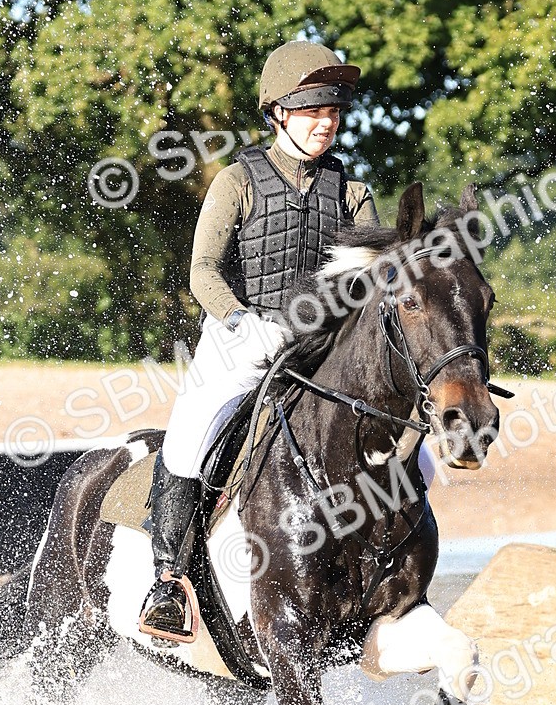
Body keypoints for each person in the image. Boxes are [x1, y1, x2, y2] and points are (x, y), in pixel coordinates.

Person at [139, 40, 380, 639]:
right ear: (278, 113)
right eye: (311, 111)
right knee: (193, 429)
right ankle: (168, 581)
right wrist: (242, 322)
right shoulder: (236, 181)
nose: (326, 122)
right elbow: (203, 271)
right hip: (241, 335)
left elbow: (370, 282)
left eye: (332, 111)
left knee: (405, 439)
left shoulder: (352, 194)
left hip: (320, 345)